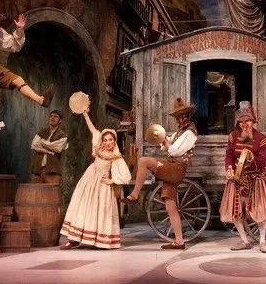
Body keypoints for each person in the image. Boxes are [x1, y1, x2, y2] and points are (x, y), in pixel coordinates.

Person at [122, 98, 198, 250]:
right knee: (170, 204)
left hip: (177, 168)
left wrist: (166, 142)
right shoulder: (179, 132)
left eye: (183, 116)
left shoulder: (190, 132)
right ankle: (179, 241)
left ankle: (135, 195)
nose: (180, 119)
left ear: (188, 116)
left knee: (144, 161)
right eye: (178, 117)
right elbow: (166, 144)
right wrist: (163, 139)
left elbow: (174, 150)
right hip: (172, 167)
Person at [59, 109, 131, 249]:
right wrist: (85, 114)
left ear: (114, 141)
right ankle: (73, 239)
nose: (108, 142)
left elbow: (125, 175)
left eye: (111, 140)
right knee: (81, 206)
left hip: (102, 185)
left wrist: (112, 180)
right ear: (102, 141)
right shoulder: (98, 148)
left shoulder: (116, 156)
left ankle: (100, 240)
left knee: (100, 210)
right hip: (88, 180)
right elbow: (93, 130)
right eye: (105, 140)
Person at [219, 101, 266, 253]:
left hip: (255, 179)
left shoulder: (261, 138)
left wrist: (251, 158)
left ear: (253, 121)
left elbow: (263, 161)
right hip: (237, 179)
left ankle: (262, 241)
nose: (244, 125)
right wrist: (229, 168)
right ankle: (244, 240)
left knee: (260, 211)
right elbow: (229, 156)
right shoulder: (233, 136)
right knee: (236, 210)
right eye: (241, 122)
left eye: (247, 121)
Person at [30, 110, 69, 184]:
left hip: (52, 170)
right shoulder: (41, 132)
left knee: (52, 191)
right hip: (37, 169)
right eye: (51, 116)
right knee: (35, 190)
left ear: (60, 121)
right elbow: (34, 145)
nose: (52, 118)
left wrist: (42, 142)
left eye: (55, 116)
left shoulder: (63, 135)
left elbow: (58, 148)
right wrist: (49, 151)